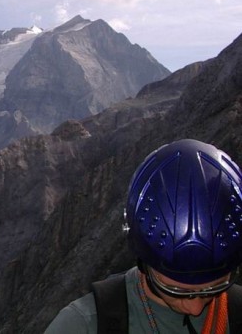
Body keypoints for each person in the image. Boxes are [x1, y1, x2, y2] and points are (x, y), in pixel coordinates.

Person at [44, 139, 242, 333]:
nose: (195, 309)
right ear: (145, 262)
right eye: (177, 290)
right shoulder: (82, 325)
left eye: (214, 288)